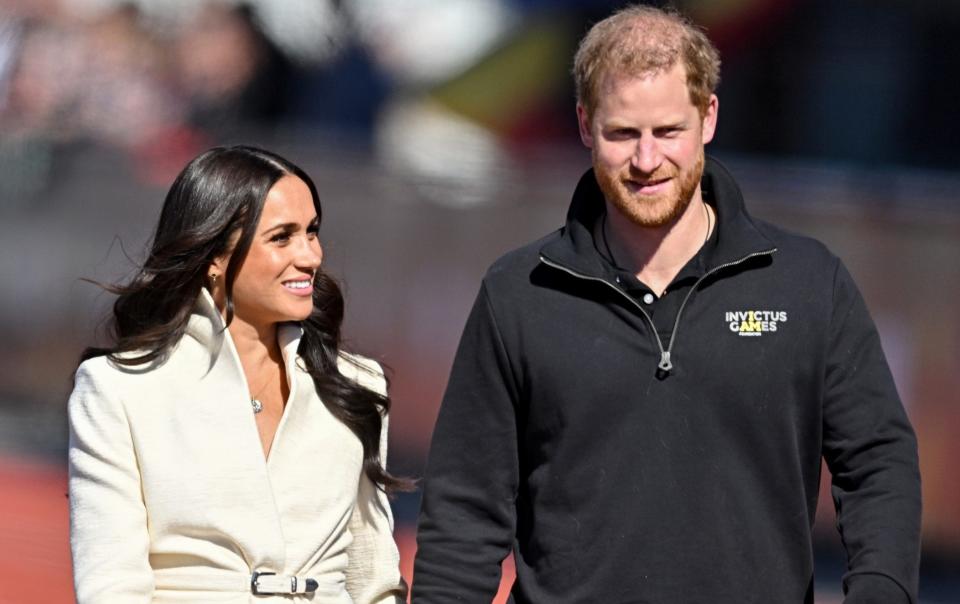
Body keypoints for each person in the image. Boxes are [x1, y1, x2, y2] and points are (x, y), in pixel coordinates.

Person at [412, 5, 921, 603]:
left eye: (668, 132)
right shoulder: (520, 291)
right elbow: (463, 511)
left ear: (708, 117)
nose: (647, 161)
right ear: (583, 125)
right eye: (622, 133)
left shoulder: (808, 282)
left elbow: (879, 465)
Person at [68, 145, 409, 603]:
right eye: (282, 237)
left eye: (312, 232)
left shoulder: (356, 384)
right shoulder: (118, 390)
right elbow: (111, 586)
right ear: (213, 256)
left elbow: (374, 575)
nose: (309, 256)